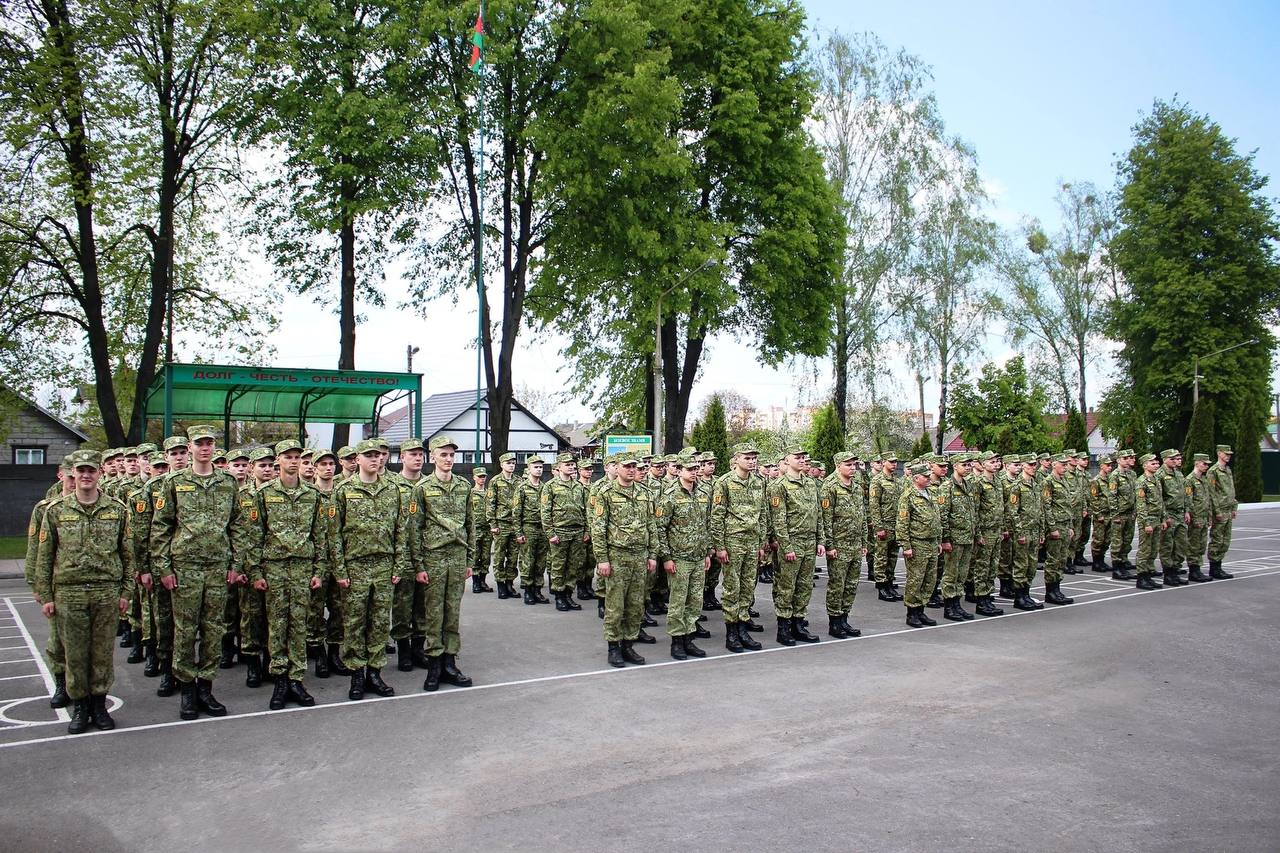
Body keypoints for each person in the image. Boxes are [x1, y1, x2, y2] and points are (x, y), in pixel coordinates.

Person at [149, 425, 247, 720]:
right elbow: (161, 526)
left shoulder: (227, 482)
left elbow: (238, 525)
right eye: (199, 443)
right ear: (189, 448)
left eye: (209, 443)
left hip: (218, 568)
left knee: (213, 630)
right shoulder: (174, 482)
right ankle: (187, 690)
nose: (205, 448)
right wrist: (163, 567)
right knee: (185, 631)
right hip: (185, 568)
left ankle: (206, 687)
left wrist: (236, 564)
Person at [35, 449, 134, 733]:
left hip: (106, 591)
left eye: (91, 471)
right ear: (73, 475)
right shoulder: (56, 511)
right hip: (70, 592)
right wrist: (47, 595)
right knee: (75, 654)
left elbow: (128, 555)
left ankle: (99, 705)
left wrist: (126, 592)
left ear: (100, 473)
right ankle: (80, 706)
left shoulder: (117, 510)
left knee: (102, 652)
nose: (86, 476)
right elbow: (45, 555)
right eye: (81, 471)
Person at [244, 439, 327, 710]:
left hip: (303, 568)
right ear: (278, 460)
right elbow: (254, 535)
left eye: (297, 457)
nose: (293, 461)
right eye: (288, 457)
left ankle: (296, 678)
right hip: (275, 567)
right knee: (277, 625)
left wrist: (319, 570)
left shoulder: (312, 494)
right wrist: (255, 571)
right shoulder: (264, 494)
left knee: (299, 624)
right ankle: (279, 678)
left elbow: (320, 535)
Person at [331, 439, 410, 700]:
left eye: (378, 455)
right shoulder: (342, 490)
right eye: (369, 455)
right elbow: (334, 535)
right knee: (354, 623)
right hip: (355, 567)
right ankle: (356, 674)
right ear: (358, 460)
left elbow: (400, 530)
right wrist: (340, 571)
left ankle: (375, 673)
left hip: (384, 565)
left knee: (378, 622)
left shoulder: (393, 490)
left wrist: (398, 565)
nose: (375, 459)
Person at [413, 436, 475, 691]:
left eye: (451, 455)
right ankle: (434, 664)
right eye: (443, 455)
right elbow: (414, 529)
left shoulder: (464, 486)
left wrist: (470, 559)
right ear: (432, 457)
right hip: (434, 557)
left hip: (457, 557)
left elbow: (470, 525)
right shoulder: (423, 488)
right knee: (433, 614)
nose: (448, 459)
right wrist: (419, 565)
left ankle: (450, 663)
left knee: (452, 613)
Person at [591, 453, 658, 667]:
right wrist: (602, 559)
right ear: (616, 468)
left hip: (640, 556)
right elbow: (598, 529)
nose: (631, 470)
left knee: (636, 604)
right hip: (617, 556)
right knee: (615, 605)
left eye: (634, 467)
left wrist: (652, 554)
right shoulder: (606, 493)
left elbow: (651, 525)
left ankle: (629, 645)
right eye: (627, 466)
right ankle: (614, 647)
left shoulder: (644, 493)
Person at [26, 458, 75, 708]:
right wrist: (37, 585)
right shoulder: (46, 508)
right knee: (57, 641)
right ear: (61, 476)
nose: (75, 482)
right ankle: (61, 684)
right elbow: (36, 548)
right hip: (57, 584)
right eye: (70, 477)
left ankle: (84, 690)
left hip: (85, 584)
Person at [710, 443, 767, 653]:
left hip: (752, 540)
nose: (751, 461)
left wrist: (761, 542)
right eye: (747, 457)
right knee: (732, 588)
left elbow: (763, 513)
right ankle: (732, 632)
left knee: (748, 586)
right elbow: (717, 516)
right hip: (733, 541)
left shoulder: (759, 482)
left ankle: (743, 628)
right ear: (737, 459)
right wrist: (720, 546)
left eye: (754, 458)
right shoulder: (724, 482)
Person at [767, 446, 824, 645]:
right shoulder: (779, 485)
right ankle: (783, 628)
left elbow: (818, 513)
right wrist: (786, 546)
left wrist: (820, 539)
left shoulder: (810, 483)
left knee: (805, 586)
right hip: (792, 543)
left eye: (803, 457)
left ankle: (798, 624)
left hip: (809, 542)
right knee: (786, 587)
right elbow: (778, 520)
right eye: (797, 457)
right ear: (787, 460)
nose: (801, 460)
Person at [656, 455, 711, 659]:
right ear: (679, 471)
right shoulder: (669, 495)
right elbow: (660, 528)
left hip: (698, 556)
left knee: (695, 601)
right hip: (679, 558)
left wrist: (707, 553)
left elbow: (706, 525)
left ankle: (689, 638)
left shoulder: (703, 493)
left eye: (696, 468)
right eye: (690, 469)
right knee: (678, 601)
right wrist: (667, 558)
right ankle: (677, 641)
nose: (694, 472)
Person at [391, 438, 429, 671]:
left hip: (426, 554)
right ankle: (403, 650)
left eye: (420, 454)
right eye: (412, 454)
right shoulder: (392, 486)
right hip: (402, 555)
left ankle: (419, 648)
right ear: (402, 457)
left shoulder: (429, 485)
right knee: (402, 604)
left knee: (423, 604)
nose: (417, 458)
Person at [820, 451, 867, 638]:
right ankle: (834, 623)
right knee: (837, 585)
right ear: (838, 465)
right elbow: (826, 518)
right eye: (848, 465)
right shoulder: (830, 486)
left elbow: (861, 514)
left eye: (854, 465)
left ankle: (844, 619)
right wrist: (830, 545)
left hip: (855, 544)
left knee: (851, 585)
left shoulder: (856, 486)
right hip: (839, 545)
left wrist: (864, 541)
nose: (852, 468)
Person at [541, 452, 589, 611]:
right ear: (559, 467)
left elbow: (586, 511)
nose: (571, 467)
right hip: (560, 532)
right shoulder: (550, 486)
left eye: (572, 464)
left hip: (577, 532)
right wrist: (550, 533)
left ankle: (569, 594)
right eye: (567, 464)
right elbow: (545, 512)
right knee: (559, 566)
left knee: (574, 565)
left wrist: (586, 531)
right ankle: (560, 596)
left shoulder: (578, 486)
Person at [897, 464, 941, 628]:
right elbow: (902, 523)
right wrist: (906, 545)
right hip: (917, 543)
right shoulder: (908, 497)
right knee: (916, 579)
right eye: (925, 476)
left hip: (931, 542)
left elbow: (937, 519)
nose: (929, 478)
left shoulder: (931, 493)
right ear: (916, 478)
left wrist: (938, 541)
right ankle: (912, 613)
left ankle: (921, 610)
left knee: (929, 579)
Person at [939, 453, 977, 620]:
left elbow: (972, 512)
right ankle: (949, 607)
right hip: (954, 538)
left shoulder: (968, 485)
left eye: (969, 465)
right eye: (964, 465)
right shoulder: (946, 487)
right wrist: (945, 539)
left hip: (967, 537)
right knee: (951, 574)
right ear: (955, 466)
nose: (968, 468)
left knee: (962, 574)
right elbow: (943, 515)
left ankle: (957, 604)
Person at [1008, 456, 1045, 610]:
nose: (1033, 467)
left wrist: (1042, 531)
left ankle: (1026, 593)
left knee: (1031, 565)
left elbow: (1040, 510)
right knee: (1021, 565)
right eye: (1030, 464)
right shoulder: (1017, 486)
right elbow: (1013, 511)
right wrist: (1019, 532)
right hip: (1023, 531)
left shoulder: (1035, 485)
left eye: (1034, 464)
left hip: (1035, 530)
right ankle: (1019, 597)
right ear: (1023, 465)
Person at [971, 452, 1005, 617]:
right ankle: (981, 600)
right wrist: (978, 534)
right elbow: (975, 510)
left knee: (993, 566)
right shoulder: (979, 483)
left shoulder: (997, 481)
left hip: (996, 530)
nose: (996, 464)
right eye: (991, 462)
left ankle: (988, 596)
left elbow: (1001, 507)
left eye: (997, 461)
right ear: (983, 464)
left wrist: (1002, 528)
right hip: (985, 531)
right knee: (982, 567)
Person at [1041, 454, 1076, 605]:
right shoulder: (1048, 482)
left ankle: (1057, 589)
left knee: (1062, 559)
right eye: (1062, 464)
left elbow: (1068, 505)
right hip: (1055, 525)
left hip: (1064, 524)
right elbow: (1046, 506)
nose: (1065, 466)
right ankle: (1050, 592)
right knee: (1053, 560)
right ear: (1054, 465)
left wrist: (1070, 526)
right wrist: (1052, 527)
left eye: (1066, 464)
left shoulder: (1064, 481)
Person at [514, 457, 550, 604]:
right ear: (529, 469)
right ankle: (528, 590)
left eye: (541, 467)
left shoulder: (545, 487)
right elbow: (516, 512)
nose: (539, 470)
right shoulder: (522, 488)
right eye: (536, 467)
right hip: (528, 527)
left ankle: (537, 590)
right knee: (528, 561)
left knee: (541, 561)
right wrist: (518, 532)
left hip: (542, 528)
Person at [487, 452, 521, 599]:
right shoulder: (495, 481)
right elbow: (490, 504)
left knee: (513, 556)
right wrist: (493, 523)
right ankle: (501, 584)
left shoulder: (519, 481)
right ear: (502, 465)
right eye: (508, 463)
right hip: (501, 524)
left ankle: (509, 583)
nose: (511, 465)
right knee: (500, 556)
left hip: (515, 524)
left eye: (513, 463)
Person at [869, 454, 903, 602]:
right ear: (883, 463)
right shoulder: (877, 481)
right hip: (884, 525)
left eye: (896, 462)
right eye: (891, 462)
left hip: (896, 525)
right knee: (881, 557)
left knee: (893, 556)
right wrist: (878, 527)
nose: (895, 464)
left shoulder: (897, 480)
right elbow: (874, 505)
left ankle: (889, 583)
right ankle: (882, 586)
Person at [1156, 449, 1190, 587]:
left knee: (1181, 544)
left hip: (1180, 514)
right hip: (1169, 514)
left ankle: (1175, 569)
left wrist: (1187, 511)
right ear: (1164, 459)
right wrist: (1164, 517)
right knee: (1167, 545)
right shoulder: (1160, 475)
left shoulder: (1179, 474)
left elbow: (1185, 494)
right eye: (1172, 459)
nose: (1175, 461)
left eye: (1176, 459)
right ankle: (1168, 574)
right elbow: (1159, 498)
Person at [1133, 453, 1166, 590]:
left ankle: (1148, 576)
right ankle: (1141, 578)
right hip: (1148, 520)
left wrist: (1163, 518)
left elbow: (1160, 501)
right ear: (1145, 465)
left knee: (1153, 550)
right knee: (1144, 550)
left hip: (1157, 519)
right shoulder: (1142, 482)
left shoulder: (1156, 480)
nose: (1156, 465)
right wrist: (1146, 523)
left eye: (1157, 463)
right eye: (1153, 463)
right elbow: (1141, 504)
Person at [1206, 445, 1237, 579]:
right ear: (1219, 453)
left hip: (1228, 509)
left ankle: (1219, 565)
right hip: (1220, 510)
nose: (1228, 456)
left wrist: (1234, 507)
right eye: (1226, 454)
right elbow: (1211, 493)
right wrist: (1216, 511)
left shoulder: (1227, 470)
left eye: (1229, 454)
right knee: (1217, 540)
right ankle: (1214, 568)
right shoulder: (1213, 471)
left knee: (1225, 540)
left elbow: (1231, 489)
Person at [1108, 450, 1138, 579]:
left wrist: (1135, 511)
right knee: (1117, 542)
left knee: (1127, 541)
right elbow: (1112, 496)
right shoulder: (1115, 475)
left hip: (1130, 513)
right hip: (1119, 514)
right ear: (1119, 460)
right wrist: (1115, 514)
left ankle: (1123, 564)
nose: (1128, 460)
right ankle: (1117, 568)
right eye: (1125, 458)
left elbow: (1135, 494)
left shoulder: (1132, 474)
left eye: (1129, 458)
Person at [1184, 453, 1213, 583]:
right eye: (1204, 463)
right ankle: (1194, 571)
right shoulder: (1190, 480)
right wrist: (1191, 516)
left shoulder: (1204, 479)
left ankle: (1198, 569)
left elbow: (1207, 499)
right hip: (1195, 517)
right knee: (1193, 545)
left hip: (1204, 516)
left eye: (1207, 464)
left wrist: (1209, 516)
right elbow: (1188, 500)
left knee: (1201, 545)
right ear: (1197, 463)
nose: (1206, 466)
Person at [469, 467, 495, 594]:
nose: (482, 479)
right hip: (475, 529)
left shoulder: (489, 493)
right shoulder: (470, 493)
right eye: (479, 476)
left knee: (486, 557)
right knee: (475, 556)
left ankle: (483, 581)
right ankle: (475, 582)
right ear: (474, 477)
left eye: (484, 476)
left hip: (487, 529)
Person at [1088, 455, 1115, 573]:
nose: (1110, 467)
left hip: (1110, 513)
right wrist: (1098, 514)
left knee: (1107, 539)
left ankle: (1102, 560)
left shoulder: (1111, 480)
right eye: (1107, 465)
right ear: (1101, 466)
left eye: (1111, 465)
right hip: (1101, 514)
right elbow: (1094, 499)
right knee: (1099, 539)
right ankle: (1096, 562)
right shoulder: (1096, 481)